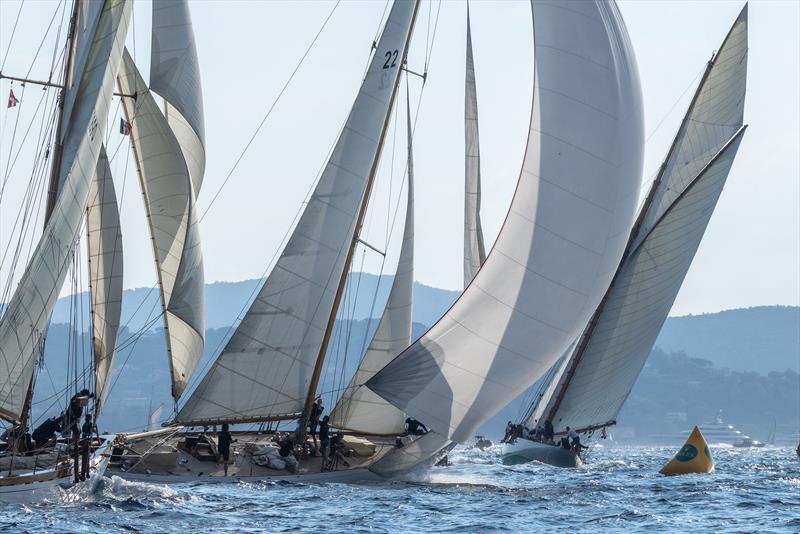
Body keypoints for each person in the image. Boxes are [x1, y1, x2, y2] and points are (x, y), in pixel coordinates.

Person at [80, 414, 97, 481]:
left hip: (84, 438)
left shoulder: (84, 424)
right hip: (87, 439)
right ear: (90, 418)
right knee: (87, 455)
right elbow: (91, 431)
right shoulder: (89, 424)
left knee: (85, 452)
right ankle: (87, 473)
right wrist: (94, 428)